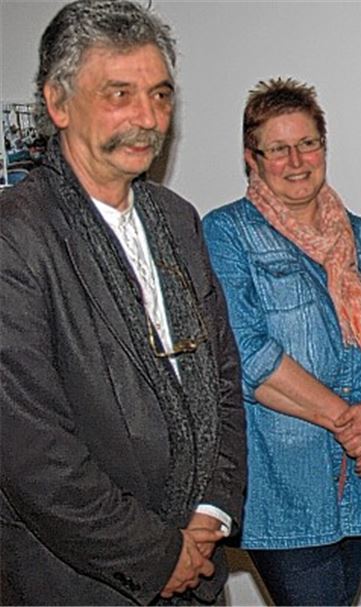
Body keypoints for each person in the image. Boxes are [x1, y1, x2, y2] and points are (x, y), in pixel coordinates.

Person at [0, 0, 246, 603]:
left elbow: (223, 376)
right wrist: (157, 555)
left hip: (197, 563)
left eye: (160, 95)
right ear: (57, 103)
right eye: (119, 94)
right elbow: (32, 451)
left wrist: (212, 511)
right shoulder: (16, 236)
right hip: (80, 580)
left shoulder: (177, 219)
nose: (148, 118)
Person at [202, 78, 361, 606]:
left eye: (307, 144)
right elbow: (248, 355)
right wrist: (353, 425)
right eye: (278, 149)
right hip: (285, 484)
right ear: (252, 158)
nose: (297, 161)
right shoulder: (226, 233)